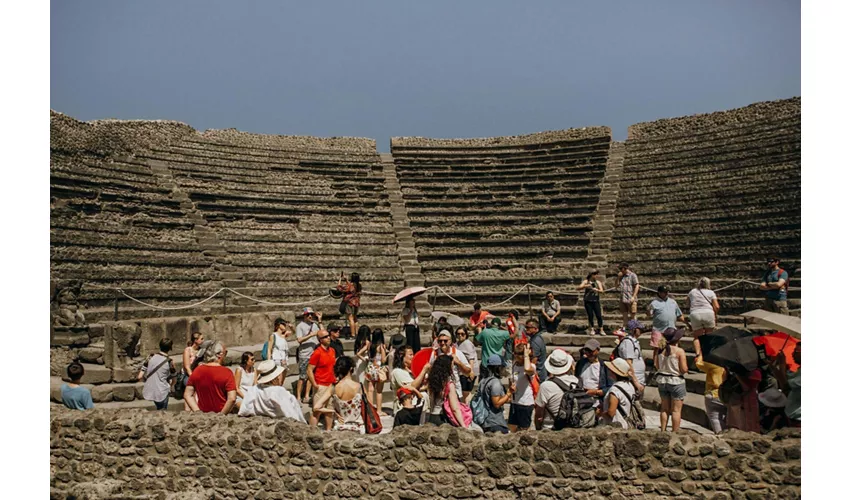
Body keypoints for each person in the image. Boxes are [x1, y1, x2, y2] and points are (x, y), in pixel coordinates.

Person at [238, 360, 306, 423]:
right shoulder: (278, 392)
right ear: (275, 377)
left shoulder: (254, 390)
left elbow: (244, 410)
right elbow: (291, 414)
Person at [313, 356, 364, 433]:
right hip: (358, 427)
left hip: (340, 427)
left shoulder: (333, 387)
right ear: (351, 369)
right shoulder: (359, 386)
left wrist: (333, 412)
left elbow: (316, 407)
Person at [533, 348, 581, 430]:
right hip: (573, 427)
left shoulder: (546, 385)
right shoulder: (577, 381)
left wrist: (538, 427)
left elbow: (538, 414)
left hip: (551, 428)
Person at [184, 341, 236, 414]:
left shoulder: (197, 371)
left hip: (204, 416)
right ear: (219, 355)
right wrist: (221, 415)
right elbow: (232, 398)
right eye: (225, 352)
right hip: (222, 415)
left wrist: (197, 411)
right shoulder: (227, 373)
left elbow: (187, 395)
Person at [654, 328, 689, 432]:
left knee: (664, 408)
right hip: (676, 381)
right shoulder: (679, 351)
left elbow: (656, 365)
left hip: (662, 380)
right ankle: (675, 432)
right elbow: (683, 369)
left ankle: (663, 430)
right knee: (676, 410)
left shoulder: (659, 349)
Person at [421, 355, 467, 428]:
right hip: (443, 419)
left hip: (431, 417)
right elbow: (455, 409)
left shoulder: (432, 381)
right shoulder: (449, 385)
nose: (453, 367)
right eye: (452, 365)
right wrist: (463, 425)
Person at [694, 337, 727, 434]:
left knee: (715, 418)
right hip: (727, 394)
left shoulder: (714, 363)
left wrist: (700, 352)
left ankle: (720, 436)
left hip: (713, 393)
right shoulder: (729, 362)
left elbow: (698, 363)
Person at [307, 329, 337, 430]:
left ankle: (329, 431)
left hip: (331, 384)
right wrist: (314, 384)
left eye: (328, 335)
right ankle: (312, 431)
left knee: (330, 409)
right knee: (317, 411)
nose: (328, 337)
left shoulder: (332, 350)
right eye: (325, 337)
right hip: (321, 384)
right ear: (320, 340)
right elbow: (309, 369)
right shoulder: (317, 353)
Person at [138, 338, 176, 410]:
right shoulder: (169, 362)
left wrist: (146, 381)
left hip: (151, 390)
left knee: (158, 409)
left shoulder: (150, 357)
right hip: (162, 391)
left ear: (160, 346)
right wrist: (171, 386)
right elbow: (174, 379)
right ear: (170, 348)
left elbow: (140, 376)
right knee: (163, 411)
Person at [477, 354, 512, 434]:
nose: (504, 369)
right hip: (494, 422)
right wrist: (509, 393)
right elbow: (496, 404)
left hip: (484, 421)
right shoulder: (495, 383)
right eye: (503, 367)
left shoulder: (483, 381)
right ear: (498, 368)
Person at [598, 358, 637, 429]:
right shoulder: (630, 386)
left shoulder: (615, 390)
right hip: (626, 424)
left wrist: (600, 414)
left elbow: (611, 412)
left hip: (615, 426)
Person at [508, 339, 537, 432]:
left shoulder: (532, 366)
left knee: (524, 430)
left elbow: (527, 368)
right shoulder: (515, 365)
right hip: (515, 401)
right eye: (515, 353)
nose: (515, 356)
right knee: (512, 427)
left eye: (519, 354)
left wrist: (526, 355)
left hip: (525, 402)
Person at [390, 345, 429, 413]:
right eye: (410, 355)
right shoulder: (397, 372)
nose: (413, 357)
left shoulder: (413, 371)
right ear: (402, 356)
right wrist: (424, 370)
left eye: (413, 354)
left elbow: (421, 386)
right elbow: (412, 387)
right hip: (405, 411)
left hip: (419, 407)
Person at [295, 307, 322, 404]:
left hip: (314, 354)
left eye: (311, 314)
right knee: (302, 376)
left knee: (311, 376)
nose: (310, 316)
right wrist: (311, 335)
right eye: (308, 315)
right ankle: (298, 396)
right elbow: (299, 340)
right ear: (304, 316)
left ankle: (306, 396)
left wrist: (319, 320)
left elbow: (323, 333)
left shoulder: (314, 325)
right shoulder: (300, 326)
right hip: (304, 354)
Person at [770, 341, 801, 427]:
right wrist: (772, 367)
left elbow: (785, 385)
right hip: (791, 413)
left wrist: (782, 364)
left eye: (796, 351)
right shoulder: (798, 371)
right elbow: (784, 378)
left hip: (798, 417)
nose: (792, 354)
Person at [725, 367, 762, 433]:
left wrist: (738, 377)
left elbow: (748, 387)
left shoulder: (754, 372)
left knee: (746, 421)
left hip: (747, 399)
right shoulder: (755, 372)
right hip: (745, 399)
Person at [363, 328, 388, 415]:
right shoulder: (381, 346)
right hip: (378, 369)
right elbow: (383, 360)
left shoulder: (369, 344)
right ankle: (379, 410)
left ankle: (370, 409)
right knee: (379, 391)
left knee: (370, 389)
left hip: (370, 367)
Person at [575, 339, 608, 404]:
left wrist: (596, 392)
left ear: (598, 350)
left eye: (591, 351)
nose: (588, 353)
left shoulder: (604, 367)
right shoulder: (581, 363)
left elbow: (609, 388)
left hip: (596, 400)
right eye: (586, 351)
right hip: (580, 398)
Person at [578, 270, 605, 335]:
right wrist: (585, 286)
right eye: (595, 274)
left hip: (595, 301)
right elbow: (578, 288)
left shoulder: (598, 282)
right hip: (588, 301)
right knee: (590, 315)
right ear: (592, 275)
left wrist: (597, 290)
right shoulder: (586, 281)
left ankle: (601, 329)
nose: (596, 276)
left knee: (599, 315)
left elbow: (602, 291)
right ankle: (592, 329)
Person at [181, 332, 204, 411]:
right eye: (201, 339)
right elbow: (187, 367)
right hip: (189, 376)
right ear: (195, 340)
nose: (203, 341)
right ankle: (188, 412)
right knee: (189, 394)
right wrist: (193, 378)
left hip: (199, 376)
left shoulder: (201, 351)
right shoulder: (188, 350)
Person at [455, 327, 478, 403]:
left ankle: (467, 410)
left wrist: (470, 372)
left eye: (462, 334)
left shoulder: (467, 343)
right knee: (465, 392)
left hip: (468, 371)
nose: (460, 335)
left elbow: (471, 358)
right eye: (458, 334)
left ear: (466, 335)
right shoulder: (458, 344)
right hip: (463, 371)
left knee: (466, 392)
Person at [337, 271, 362, 336]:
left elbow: (339, 288)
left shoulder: (350, 286)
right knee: (355, 318)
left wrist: (340, 279)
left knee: (351, 319)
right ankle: (356, 333)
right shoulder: (359, 285)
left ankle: (353, 334)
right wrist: (346, 280)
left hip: (350, 303)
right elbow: (351, 287)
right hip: (356, 303)